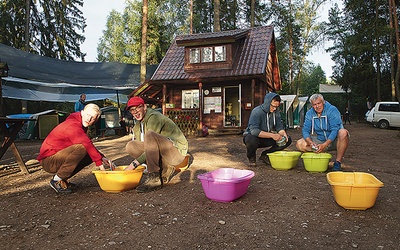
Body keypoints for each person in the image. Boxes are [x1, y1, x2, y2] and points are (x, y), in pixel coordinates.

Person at [37, 103, 114, 194]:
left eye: (92, 118)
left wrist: (101, 157)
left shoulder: (79, 123)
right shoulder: (72, 125)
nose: (89, 119)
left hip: (57, 157)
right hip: (49, 161)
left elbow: (88, 145)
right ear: (82, 112)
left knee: (88, 154)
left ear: (96, 120)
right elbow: (86, 144)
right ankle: (56, 180)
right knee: (82, 148)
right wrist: (100, 165)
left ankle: (63, 179)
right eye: (88, 115)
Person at [125, 96, 193, 193]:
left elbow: (151, 145)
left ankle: (154, 178)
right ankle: (165, 169)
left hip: (176, 153)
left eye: (138, 107)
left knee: (150, 135)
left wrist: (133, 164)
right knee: (131, 146)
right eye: (132, 110)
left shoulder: (154, 117)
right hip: (163, 151)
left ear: (144, 107)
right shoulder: (137, 126)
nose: (135, 112)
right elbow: (148, 149)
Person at [296, 93, 349, 171]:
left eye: (319, 103)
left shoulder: (332, 110)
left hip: (335, 140)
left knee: (343, 132)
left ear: (323, 102)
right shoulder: (310, 113)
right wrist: (310, 142)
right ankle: (320, 156)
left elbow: (335, 130)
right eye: (314, 104)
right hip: (320, 139)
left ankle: (338, 162)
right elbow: (305, 130)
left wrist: (325, 144)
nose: (317, 106)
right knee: (300, 143)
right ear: (312, 105)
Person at [243, 92, 292, 167]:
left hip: (267, 137)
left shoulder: (276, 112)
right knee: (251, 139)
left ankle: (265, 155)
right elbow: (254, 131)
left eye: (277, 106)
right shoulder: (256, 112)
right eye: (273, 106)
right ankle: (251, 157)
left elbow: (279, 127)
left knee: (287, 140)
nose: (275, 108)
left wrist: (283, 134)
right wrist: (272, 135)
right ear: (267, 103)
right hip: (254, 137)